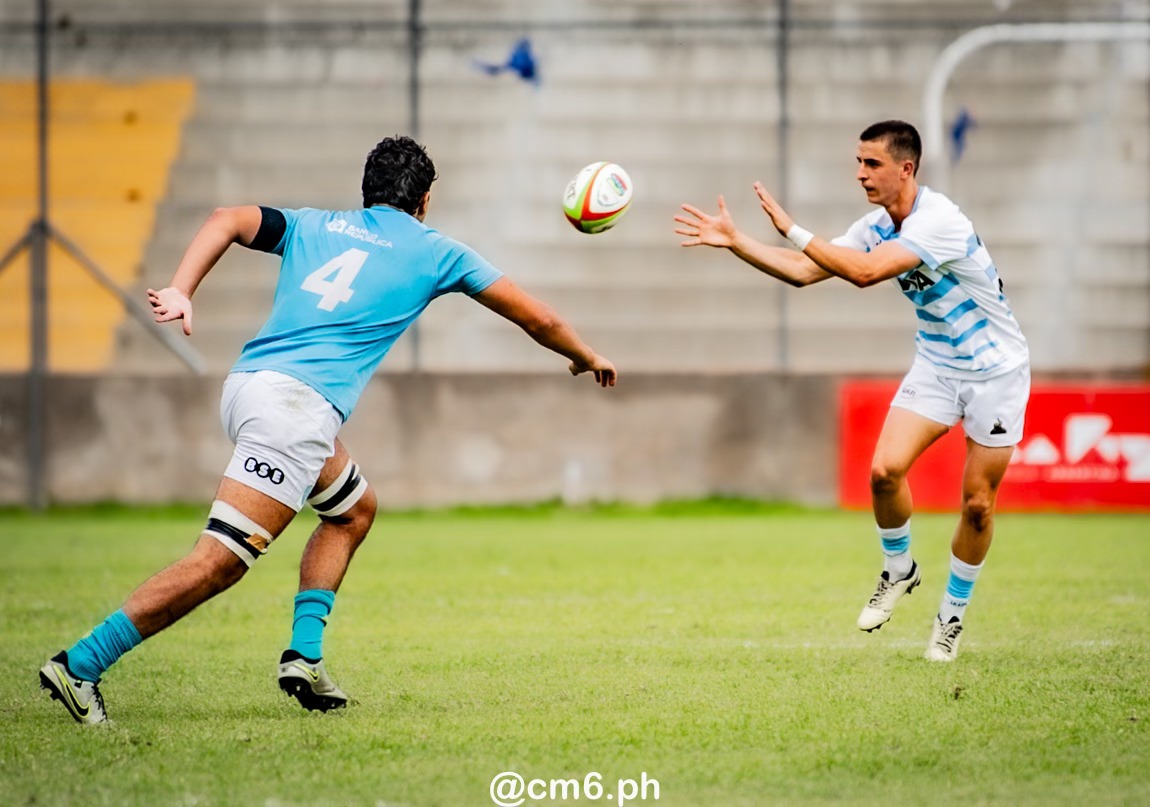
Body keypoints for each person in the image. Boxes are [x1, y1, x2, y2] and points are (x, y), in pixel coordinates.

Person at [39, 135, 618, 724]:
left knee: (352, 510)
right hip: (295, 411)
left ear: (367, 191)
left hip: (251, 386)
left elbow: (227, 219)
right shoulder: (437, 251)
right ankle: (80, 664)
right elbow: (538, 317)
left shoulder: (314, 224)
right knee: (221, 562)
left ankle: (304, 658)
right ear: (423, 200)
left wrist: (183, 289)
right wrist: (584, 355)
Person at [674, 120, 1029, 662]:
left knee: (978, 505)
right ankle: (899, 569)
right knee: (884, 472)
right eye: (858, 162)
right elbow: (802, 271)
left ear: (905, 169)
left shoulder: (940, 221)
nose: (860, 173)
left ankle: (950, 618)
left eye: (872, 164)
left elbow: (863, 274)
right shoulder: (875, 224)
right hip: (937, 364)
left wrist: (793, 227)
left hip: (996, 373)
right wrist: (737, 241)